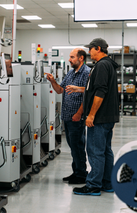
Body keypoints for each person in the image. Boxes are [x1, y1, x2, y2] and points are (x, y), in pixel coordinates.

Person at [73, 38, 119, 196]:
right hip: (108, 117)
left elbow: (100, 92)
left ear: (98, 48)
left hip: (99, 118)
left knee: (95, 151)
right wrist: (81, 90)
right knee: (105, 150)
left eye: (90, 49)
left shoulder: (101, 66)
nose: (88, 52)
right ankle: (107, 183)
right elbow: (94, 89)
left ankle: (93, 185)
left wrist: (91, 115)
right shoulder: (109, 65)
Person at [46, 48, 90, 184]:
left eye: (72, 57)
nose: (69, 60)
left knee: (77, 146)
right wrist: (53, 81)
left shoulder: (87, 73)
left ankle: (81, 174)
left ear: (81, 58)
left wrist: (78, 113)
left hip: (77, 117)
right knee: (73, 146)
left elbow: (88, 94)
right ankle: (76, 171)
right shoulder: (71, 73)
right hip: (67, 116)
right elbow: (60, 90)